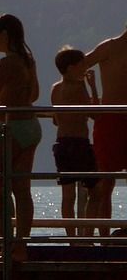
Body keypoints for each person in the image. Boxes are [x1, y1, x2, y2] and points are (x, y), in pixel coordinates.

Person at [0, 14, 42, 261]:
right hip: (31, 126)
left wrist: (0, 100)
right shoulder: (29, 60)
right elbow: (35, 94)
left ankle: (6, 244)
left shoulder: (6, 63)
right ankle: (20, 247)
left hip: (11, 126)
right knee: (22, 189)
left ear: (5, 34)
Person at [75, 26, 127, 237]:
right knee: (106, 182)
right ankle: (104, 239)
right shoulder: (110, 47)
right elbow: (77, 68)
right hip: (110, 119)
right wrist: (89, 100)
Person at [50, 47, 104, 238]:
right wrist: (94, 87)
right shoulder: (80, 87)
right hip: (79, 143)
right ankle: (87, 236)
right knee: (95, 191)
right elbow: (96, 114)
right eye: (82, 65)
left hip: (62, 143)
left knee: (68, 195)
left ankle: (72, 238)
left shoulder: (56, 88)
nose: (85, 68)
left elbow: (56, 119)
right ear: (72, 68)